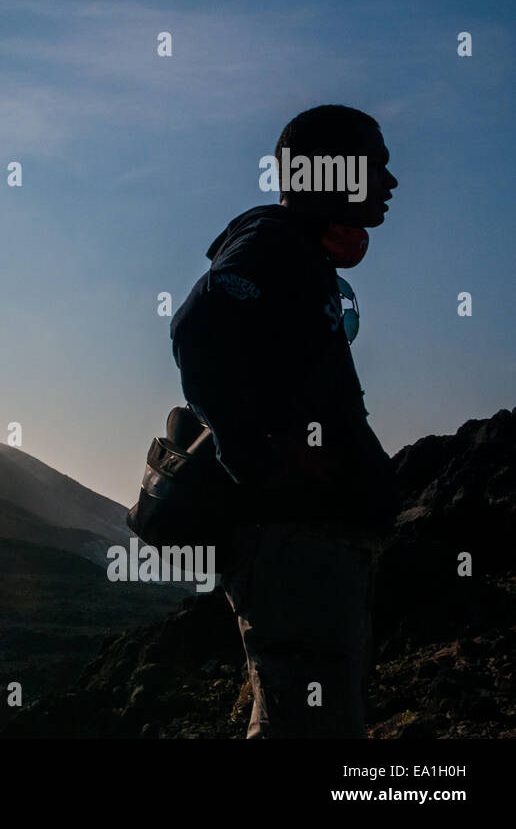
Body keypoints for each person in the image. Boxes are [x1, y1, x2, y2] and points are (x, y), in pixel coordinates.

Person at [169, 104, 401, 738]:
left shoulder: (293, 251)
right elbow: (199, 324)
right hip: (296, 547)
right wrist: (257, 458)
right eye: (376, 163)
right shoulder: (271, 242)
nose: (391, 180)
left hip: (311, 547)